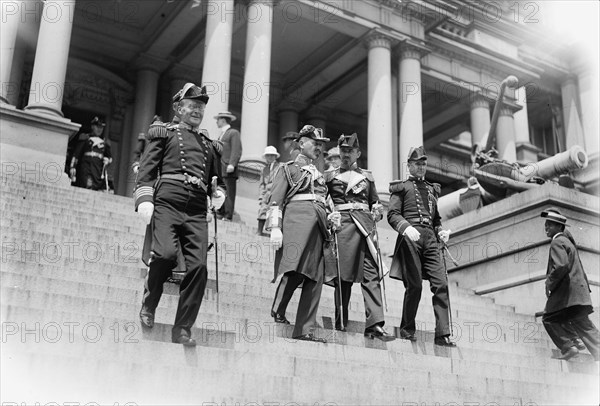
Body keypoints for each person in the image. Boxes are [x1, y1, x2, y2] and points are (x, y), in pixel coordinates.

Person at [135, 83, 226, 346]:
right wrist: (144, 197)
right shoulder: (164, 133)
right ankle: (149, 304)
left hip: (197, 208)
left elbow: (217, 180)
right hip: (168, 201)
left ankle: (183, 328)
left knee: (198, 268)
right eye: (192, 105)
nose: (197, 110)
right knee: (164, 254)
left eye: (201, 106)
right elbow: (147, 169)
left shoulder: (210, 144)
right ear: (178, 108)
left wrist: (219, 194)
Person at [325, 133, 394, 341]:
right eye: (343, 151)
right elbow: (322, 200)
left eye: (350, 151)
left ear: (358, 153)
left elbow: (375, 204)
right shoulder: (330, 176)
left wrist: (378, 212)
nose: (346, 154)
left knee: (371, 274)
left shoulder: (367, 177)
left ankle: (375, 324)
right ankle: (341, 318)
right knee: (344, 276)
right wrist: (330, 216)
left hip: (365, 228)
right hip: (344, 227)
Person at [267, 124, 331, 343]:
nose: (319, 149)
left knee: (315, 277)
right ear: (302, 143)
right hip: (296, 223)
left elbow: (323, 200)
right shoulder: (288, 168)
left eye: (321, 145)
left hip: (319, 228)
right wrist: (275, 227)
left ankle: (304, 329)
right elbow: (275, 199)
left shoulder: (319, 174)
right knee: (293, 268)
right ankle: (278, 308)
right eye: (315, 143)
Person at [387, 146, 455, 347]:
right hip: (411, 237)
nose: (421, 168)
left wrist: (441, 230)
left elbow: (436, 219)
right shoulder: (402, 187)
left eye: (424, 164)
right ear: (409, 165)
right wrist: (405, 228)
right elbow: (392, 214)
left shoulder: (432, 190)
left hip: (431, 239)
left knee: (441, 284)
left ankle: (442, 334)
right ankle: (407, 328)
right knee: (414, 285)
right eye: (417, 164)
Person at [541, 208, 599, 361]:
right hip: (578, 293)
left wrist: (549, 283)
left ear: (560, 227)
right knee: (582, 323)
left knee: (549, 318)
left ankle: (569, 346)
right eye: (546, 225)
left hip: (567, 293)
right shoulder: (568, 242)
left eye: (550, 225)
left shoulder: (557, 242)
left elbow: (560, 266)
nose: (546, 228)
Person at [69, 116, 112, 191]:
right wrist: (73, 167)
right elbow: (76, 154)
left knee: (95, 188)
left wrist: (108, 161)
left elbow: (110, 157)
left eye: (101, 127)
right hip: (86, 167)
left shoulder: (105, 142)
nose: (99, 129)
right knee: (87, 185)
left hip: (98, 170)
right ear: (92, 126)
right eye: (97, 126)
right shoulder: (85, 138)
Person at [215, 111, 242, 221]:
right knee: (220, 190)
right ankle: (220, 211)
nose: (216, 122)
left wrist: (232, 163)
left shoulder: (233, 133)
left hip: (228, 167)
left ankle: (228, 214)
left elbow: (236, 149)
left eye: (218, 119)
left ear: (223, 120)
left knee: (229, 192)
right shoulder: (222, 134)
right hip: (220, 168)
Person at [257, 146, 280, 236]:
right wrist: (260, 196)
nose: (270, 157)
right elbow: (262, 184)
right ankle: (259, 231)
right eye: (268, 155)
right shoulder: (264, 169)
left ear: (275, 156)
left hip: (275, 192)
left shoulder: (280, 167)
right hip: (266, 194)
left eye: (272, 155)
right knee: (262, 210)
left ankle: (272, 233)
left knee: (274, 212)